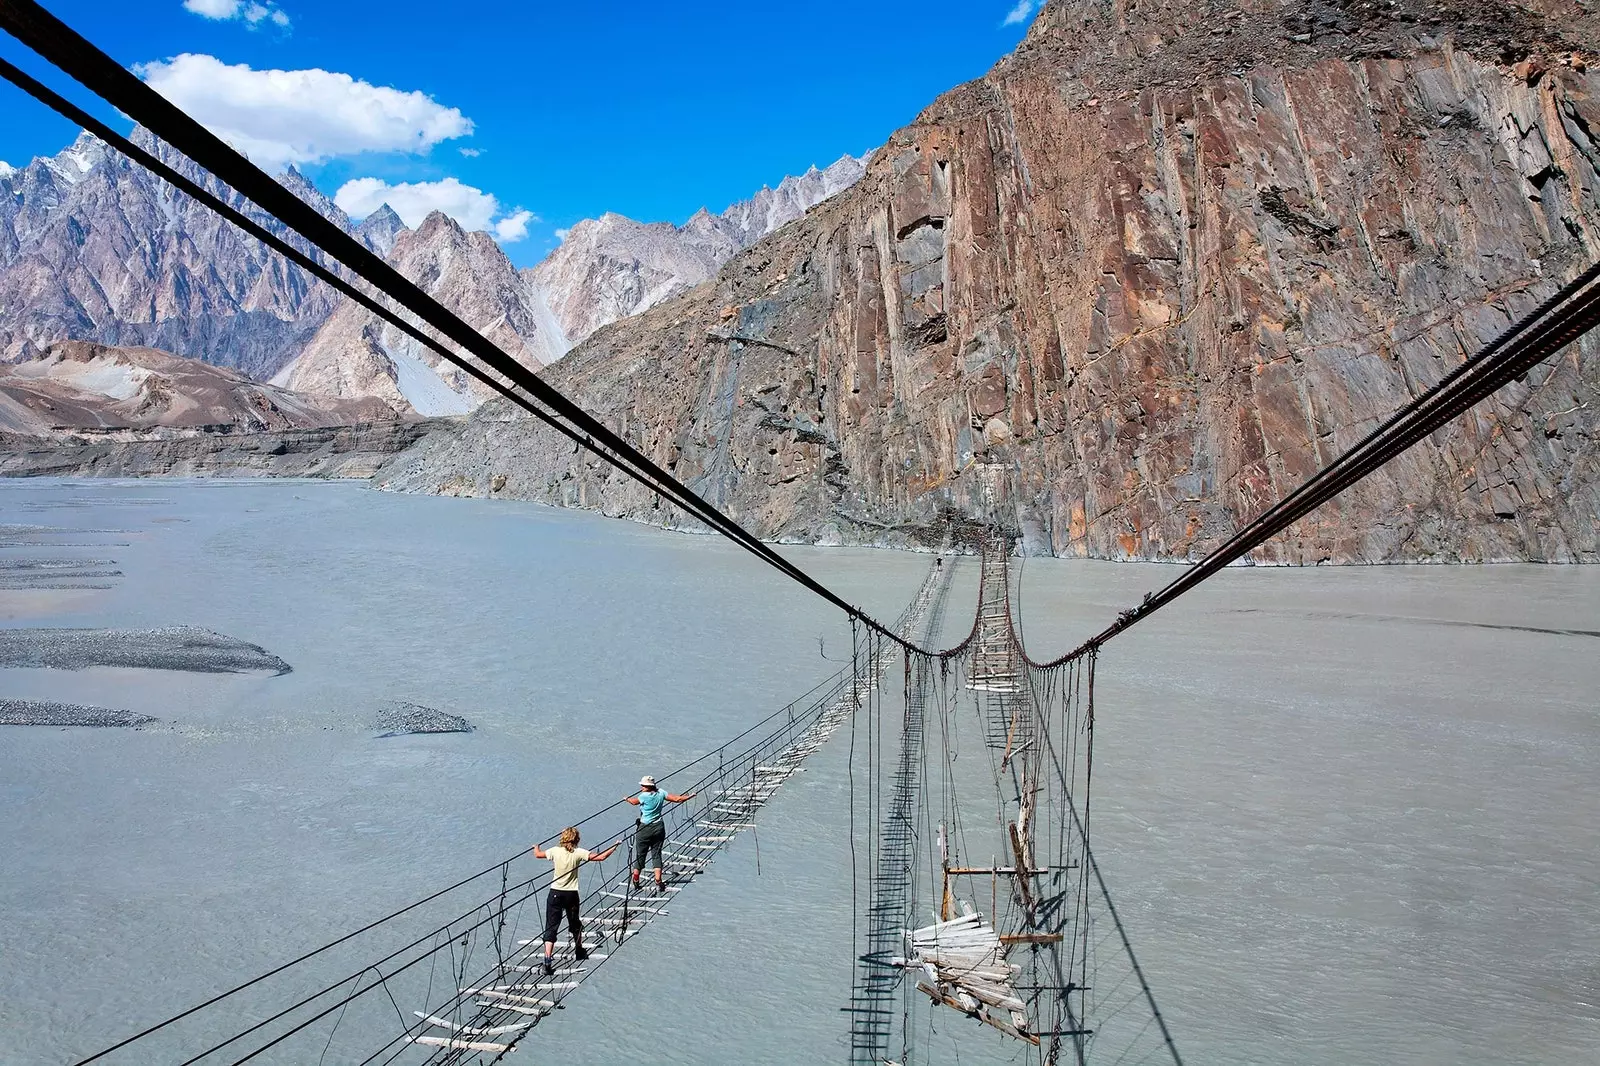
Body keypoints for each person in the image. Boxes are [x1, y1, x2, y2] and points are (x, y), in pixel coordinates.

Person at [532, 826, 619, 975]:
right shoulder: (579, 853)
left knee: (551, 927)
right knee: (575, 924)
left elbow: (538, 855)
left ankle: (547, 960)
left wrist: (536, 847)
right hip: (571, 895)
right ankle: (579, 950)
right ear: (577, 839)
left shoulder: (554, 851)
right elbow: (601, 857)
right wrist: (614, 846)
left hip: (555, 893)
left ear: (562, 838)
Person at [625, 775, 696, 895]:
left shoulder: (643, 796)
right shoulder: (661, 792)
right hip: (658, 827)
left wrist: (626, 798)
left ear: (648, 786)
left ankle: (636, 878)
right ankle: (658, 880)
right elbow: (677, 799)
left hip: (644, 829)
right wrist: (690, 796)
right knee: (656, 854)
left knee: (640, 854)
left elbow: (633, 802)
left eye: (643, 785)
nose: (641, 787)